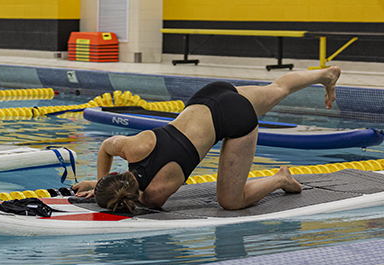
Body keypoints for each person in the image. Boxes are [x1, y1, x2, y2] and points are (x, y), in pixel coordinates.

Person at [72, 67, 341, 212]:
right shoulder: (134, 147)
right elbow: (106, 148)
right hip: (209, 96)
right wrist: (100, 181)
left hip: (234, 118)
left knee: (230, 202)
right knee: (278, 88)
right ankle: (325, 74)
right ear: (118, 173)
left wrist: (100, 189)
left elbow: (137, 195)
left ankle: (280, 178)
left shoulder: (153, 196)